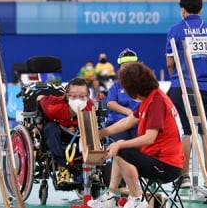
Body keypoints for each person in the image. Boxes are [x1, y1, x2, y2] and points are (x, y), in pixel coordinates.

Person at [88, 62, 184, 208]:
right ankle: (111, 196)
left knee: (121, 150)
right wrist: (100, 133)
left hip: (166, 166)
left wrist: (120, 144)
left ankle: (137, 199)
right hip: (157, 158)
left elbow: (149, 137)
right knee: (120, 150)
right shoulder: (151, 98)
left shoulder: (157, 102)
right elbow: (128, 121)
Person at [165, 0, 207, 188]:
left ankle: (184, 177)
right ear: (201, 9)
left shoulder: (175, 30)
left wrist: (176, 78)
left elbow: (170, 62)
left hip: (183, 87)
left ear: (182, 10)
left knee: (185, 132)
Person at [37, 77, 95, 186]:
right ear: (67, 95)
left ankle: (90, 171)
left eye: (82, 96)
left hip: (76, 134)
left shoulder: (89, 106)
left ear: (88, 96)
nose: (78, 99)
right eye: (74, 95)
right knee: (50, 128)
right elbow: (39, 98)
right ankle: (63, 169)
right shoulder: (53, 106)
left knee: (91, 129)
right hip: (57, 133)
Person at [103, 48, 141, 192]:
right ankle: (117, 188)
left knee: (138, 147)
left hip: (138, 124)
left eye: (131, 65)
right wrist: (127, 111)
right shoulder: (116, 87)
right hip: (119, 125)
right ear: (120, 68)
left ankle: (134, 184)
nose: (128, 69)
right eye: (125, 66)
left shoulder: (143, 86)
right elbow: (110, 103)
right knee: (121, 145)